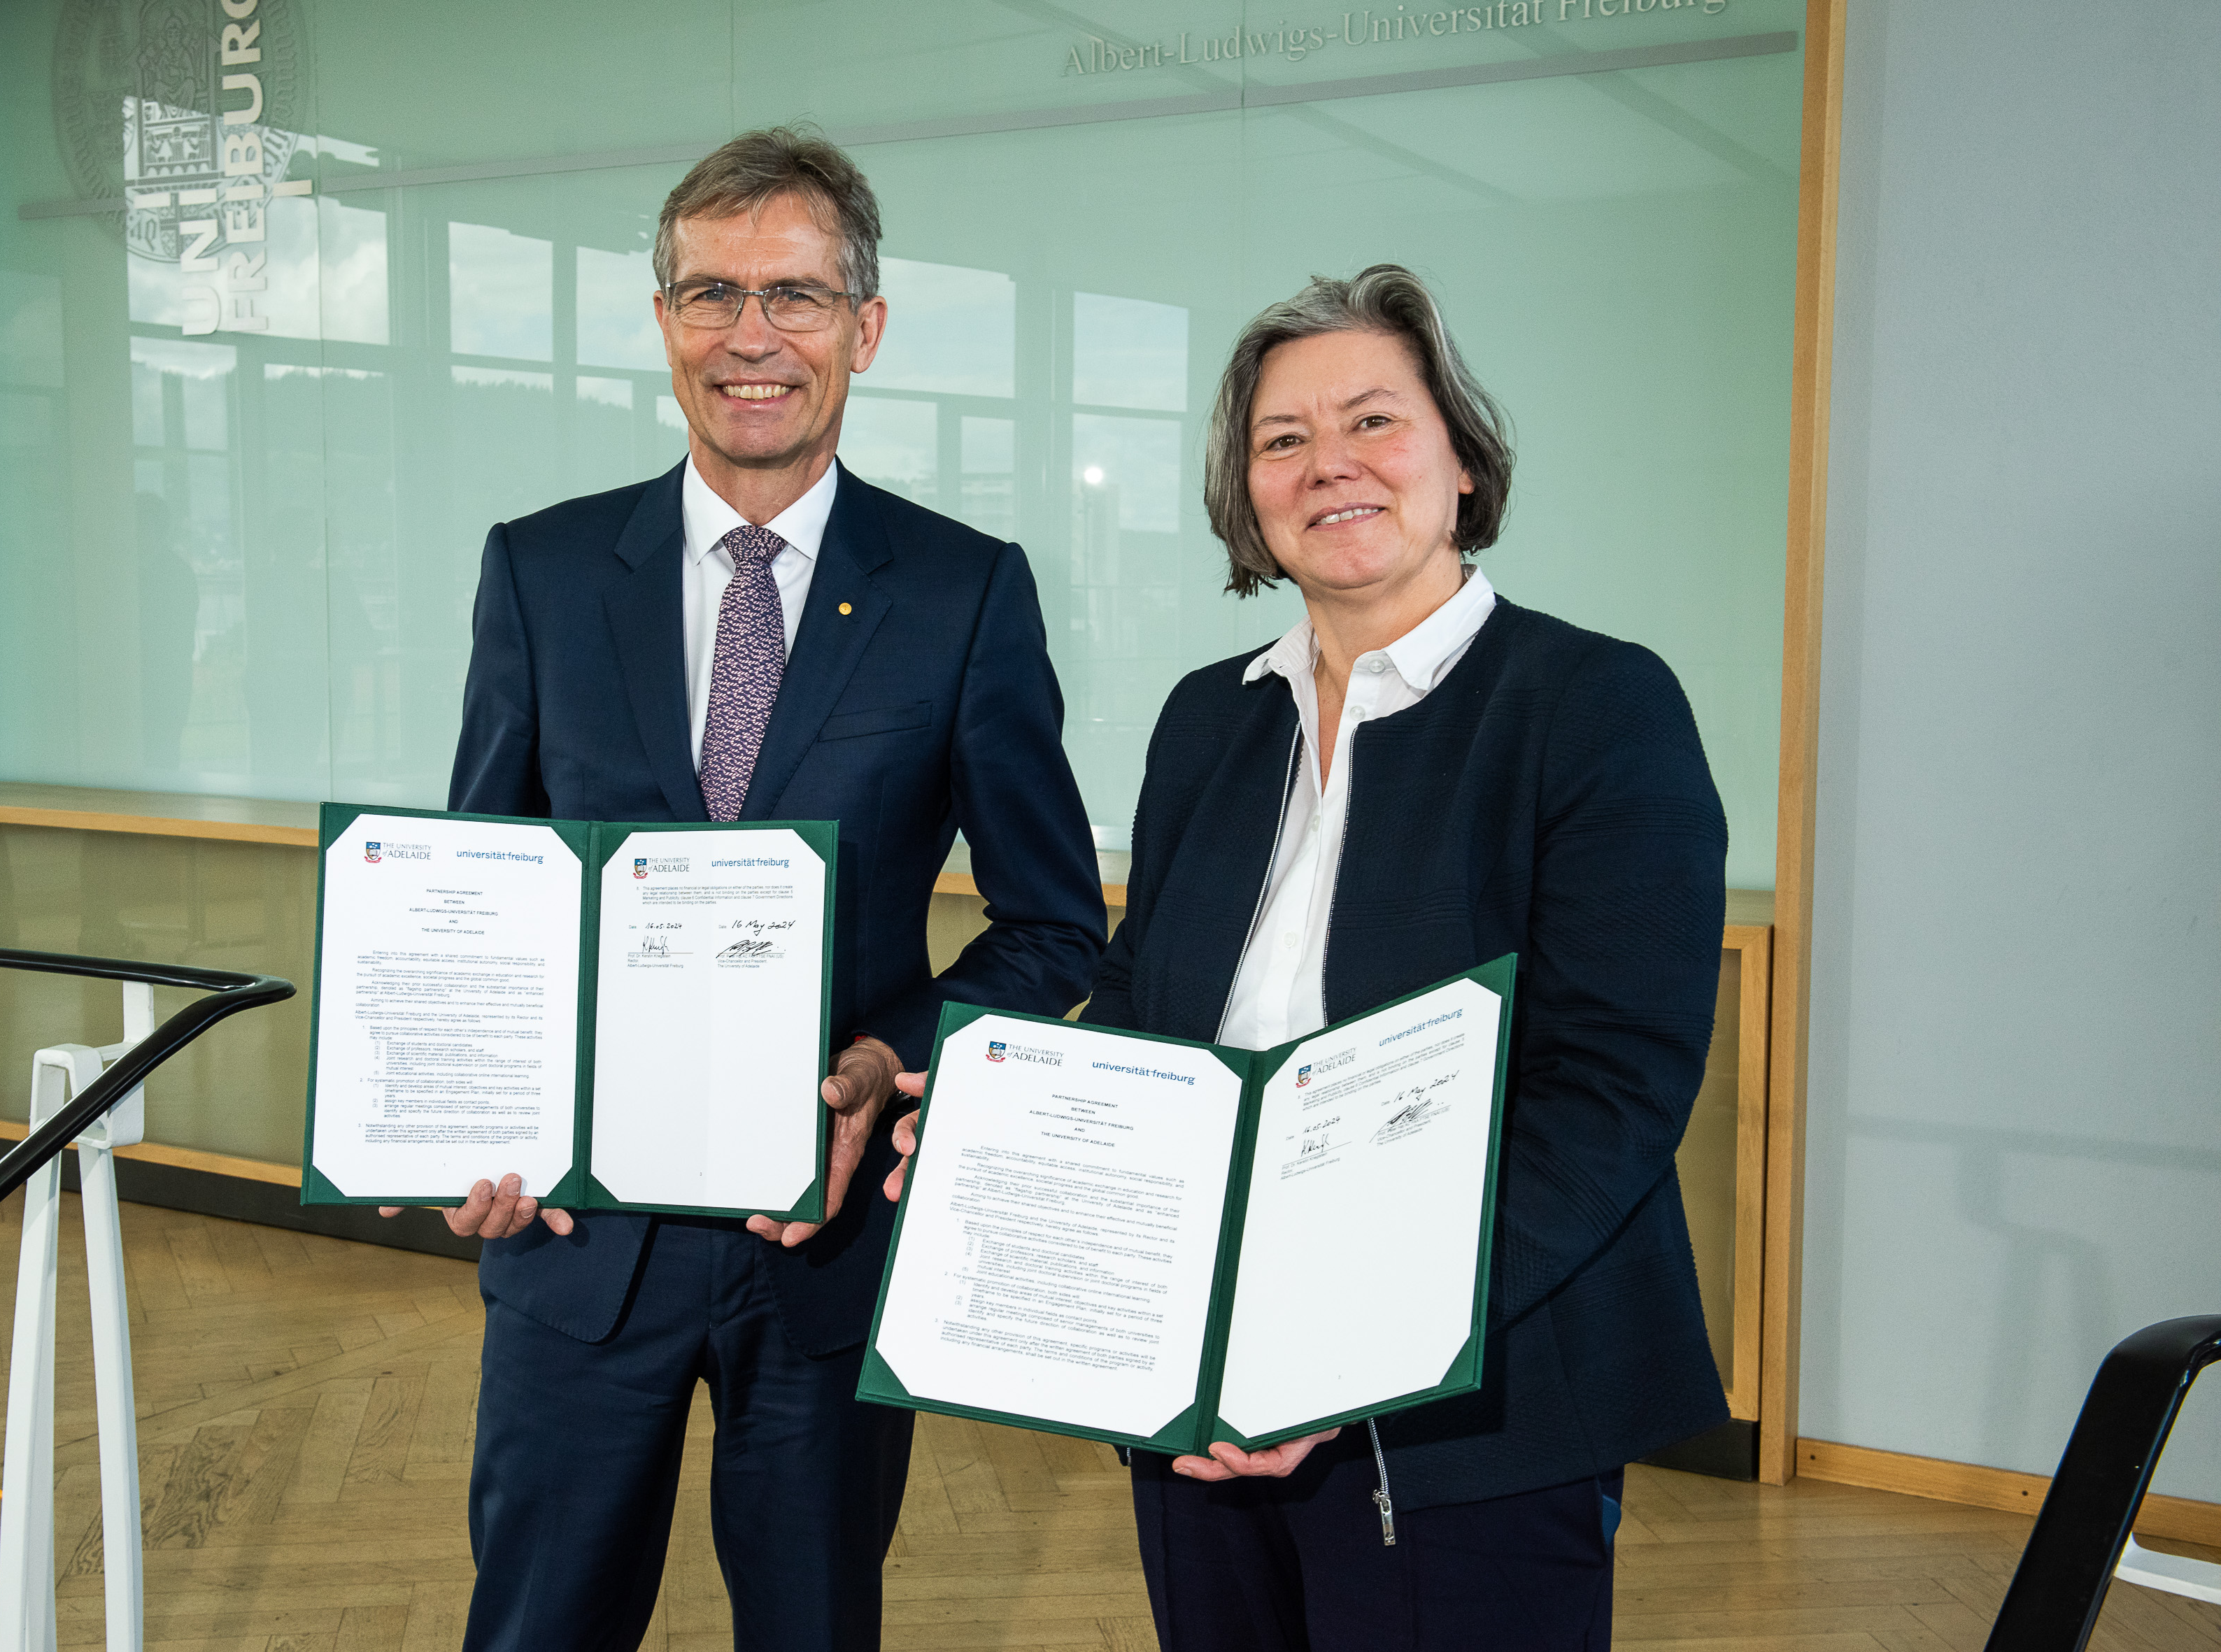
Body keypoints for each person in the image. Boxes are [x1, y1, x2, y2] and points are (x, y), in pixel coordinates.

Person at [890, 264, 1729, 1648]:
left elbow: (1615, 1089)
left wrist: (1355, 1350)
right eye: (1284, 439)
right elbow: (1158, 1013)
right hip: (1199, 1391)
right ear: (1248, 492)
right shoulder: (1207, 720)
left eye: (1376, 422)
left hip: (1475, 1409)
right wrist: (1001, 1129)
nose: (1329, 464)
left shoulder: (1593, 703)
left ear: (1462, 458)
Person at [406, 127, 1108, 1651]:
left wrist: (886, 1061)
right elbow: (489, 893)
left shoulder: (961, 590)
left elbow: (1054, 917)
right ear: (663, 320)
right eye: (710, 292)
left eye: (793, 295)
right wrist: (466, 1114)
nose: (750, 337)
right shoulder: (537, 571)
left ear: (863, 326)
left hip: (827, 1253)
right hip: (576, 1248)